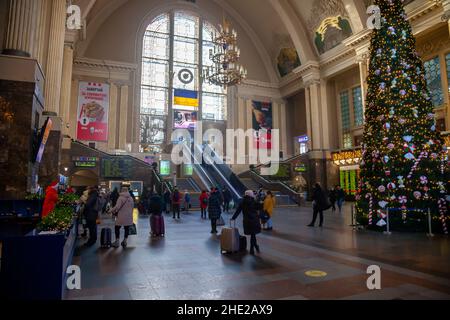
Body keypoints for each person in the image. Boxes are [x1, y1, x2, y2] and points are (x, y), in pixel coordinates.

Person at [231, 190, 262, 255]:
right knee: (253, 234)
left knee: (252, 234)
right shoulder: (253, 201)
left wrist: (233, 218)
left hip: (247, 221)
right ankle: (251, 249)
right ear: (251, 194)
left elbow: (238, 210)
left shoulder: (242, 202)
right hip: (254, 220)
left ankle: (256, 246)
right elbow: (260, 207)